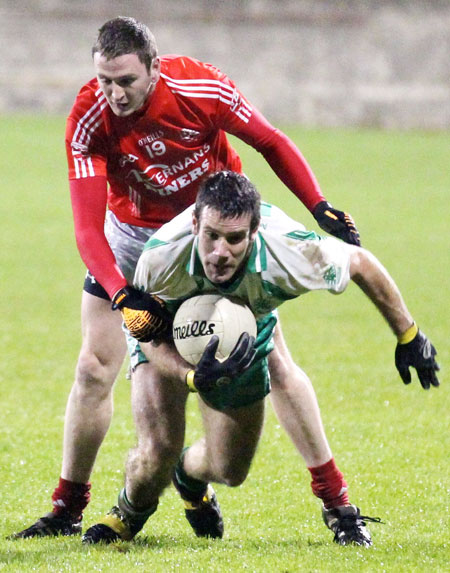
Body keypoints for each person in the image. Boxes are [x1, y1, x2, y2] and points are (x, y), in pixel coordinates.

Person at [10, 16, 391, 543]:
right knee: (94, 367)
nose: (114, 93)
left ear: (154, 68)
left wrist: (319, 205)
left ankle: (338, 505)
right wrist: (123, 296)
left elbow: (270, 141)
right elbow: (86, 229)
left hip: (212, 241)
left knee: (275, 361)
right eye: (104, 80)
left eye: (125, 80)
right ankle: (67, 506)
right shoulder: (88, 118)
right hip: (137, 245)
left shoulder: (199, 88)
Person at [80, 171, 439, 547]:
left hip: (243, 329)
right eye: (212, 236)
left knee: (230, 469)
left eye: (235, 239)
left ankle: (188, 475)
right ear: (195, 223)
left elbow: (361, 263)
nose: (220, 252)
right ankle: (129, 511)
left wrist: (409, 336)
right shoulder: (160, 257)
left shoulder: (288, 252)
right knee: (157, 452)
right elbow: (148, 338)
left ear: (255, 233)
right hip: (167, 330)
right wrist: (191, 378)